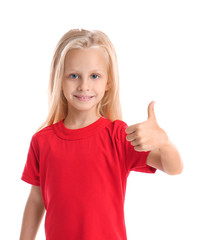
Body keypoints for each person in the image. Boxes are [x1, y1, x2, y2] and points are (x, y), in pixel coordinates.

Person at [19, 29, 183, 240]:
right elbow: (36, 198)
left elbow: (174, 168)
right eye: (74, 75)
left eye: (94, 76)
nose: (84, 86)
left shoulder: (118, 136)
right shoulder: (42, 141)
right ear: (60, 79)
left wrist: (164, 142)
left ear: (108, 82)